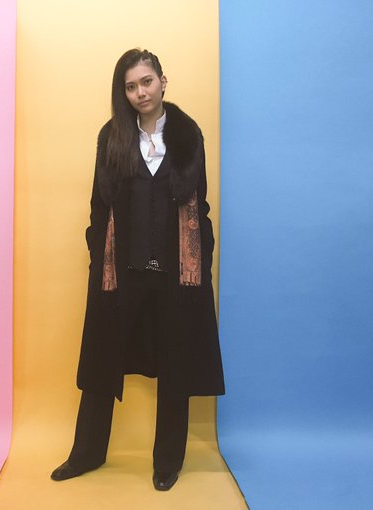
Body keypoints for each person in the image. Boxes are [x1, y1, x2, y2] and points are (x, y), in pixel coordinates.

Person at [51, 48, 225, 491]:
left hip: (174, 275)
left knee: (175, 363)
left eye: (146, 81)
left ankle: (167, 462)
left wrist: (199, 260)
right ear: (123, 92)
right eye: (130, 86)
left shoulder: (188, 136)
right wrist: (99, 257)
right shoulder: (112, 137)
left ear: (163, 81)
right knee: (101, 360)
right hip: (121, 272)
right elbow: (99, 205)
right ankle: (86, 454)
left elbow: (200, 204)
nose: (140, 92)